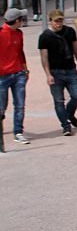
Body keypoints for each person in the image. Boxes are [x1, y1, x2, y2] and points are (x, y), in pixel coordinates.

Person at [37, 9, 77, 136]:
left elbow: (76, 49)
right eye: (56, 21)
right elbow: (44, 57)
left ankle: (69, 114)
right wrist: (48, 74)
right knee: (59, 100)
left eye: (61, 20)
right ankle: (65, 125)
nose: (59, 23)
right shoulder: (45, 37)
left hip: (70, 69)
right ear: (50, 21)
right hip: (55, 71)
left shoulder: (69, 32)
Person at [0, 8, 31, 145]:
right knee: (2, 106)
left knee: (20, 105)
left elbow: (20, 52)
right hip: (2, 76)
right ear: (17, 20)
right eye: (22, 19)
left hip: (18, 74)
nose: (23, 21)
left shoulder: (19, 33)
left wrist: (25, 69)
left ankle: (18, 132)